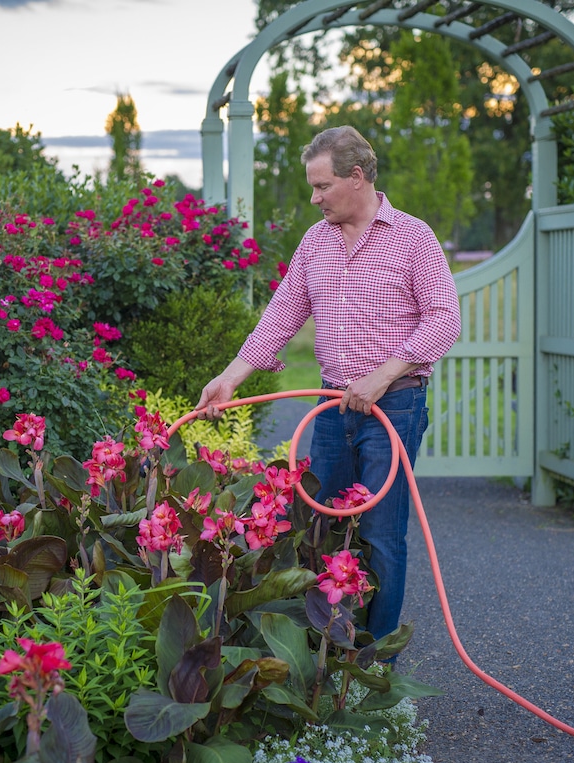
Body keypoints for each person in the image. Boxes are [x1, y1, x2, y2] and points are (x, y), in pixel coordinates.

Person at [195, 125, 461, 641]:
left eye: (321, 187)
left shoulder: (413, 237)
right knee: (320, 529)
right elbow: (280, 317)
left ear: (356, 177)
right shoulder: (315, 241)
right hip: (331, 406)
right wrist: (229, 379)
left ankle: (376, 663)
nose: (314, 199)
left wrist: (381, 377)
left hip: (394, 407)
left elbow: (444, 320)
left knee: (382, 536)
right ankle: (329, 656)